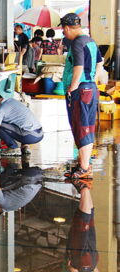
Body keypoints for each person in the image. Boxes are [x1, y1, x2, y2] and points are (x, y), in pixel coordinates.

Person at [61, 13, 103, 179]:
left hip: (81, 90)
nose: (64, 33)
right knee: (86, 126)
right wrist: (92, 79)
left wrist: (73, 87)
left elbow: (78, 67)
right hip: (90, 88)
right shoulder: (90, 41)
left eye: (63, 30)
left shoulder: (77, 42)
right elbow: (100, 64)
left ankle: (84, 168)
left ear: (66, 27)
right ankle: (84, 164)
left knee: (82, 127)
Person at [62, 180, 102, 272]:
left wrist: (94, 267)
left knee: (90, 223)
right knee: (81, 226)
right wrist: (72, 271)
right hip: (80, 264)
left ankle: (86, 189)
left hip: (91, 263)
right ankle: (84, 185)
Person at [0, 90, 44, 156]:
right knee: (18, 122)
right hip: (40, 134)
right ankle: (25, 146)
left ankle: (13, 148)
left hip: (30, 136)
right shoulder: (11, 101)